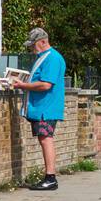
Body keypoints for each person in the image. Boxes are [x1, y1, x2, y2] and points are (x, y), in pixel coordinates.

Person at [10, 27, 66, 191]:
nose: (31, 49)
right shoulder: (45, 57)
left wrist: (23, 85)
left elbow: (45, 84)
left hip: (46, 108)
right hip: (42, 107)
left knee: (45, 138)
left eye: (33, 45)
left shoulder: (52, 58)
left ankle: (50, 178)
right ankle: (49, 177)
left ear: (43, 42)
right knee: (44, 138)